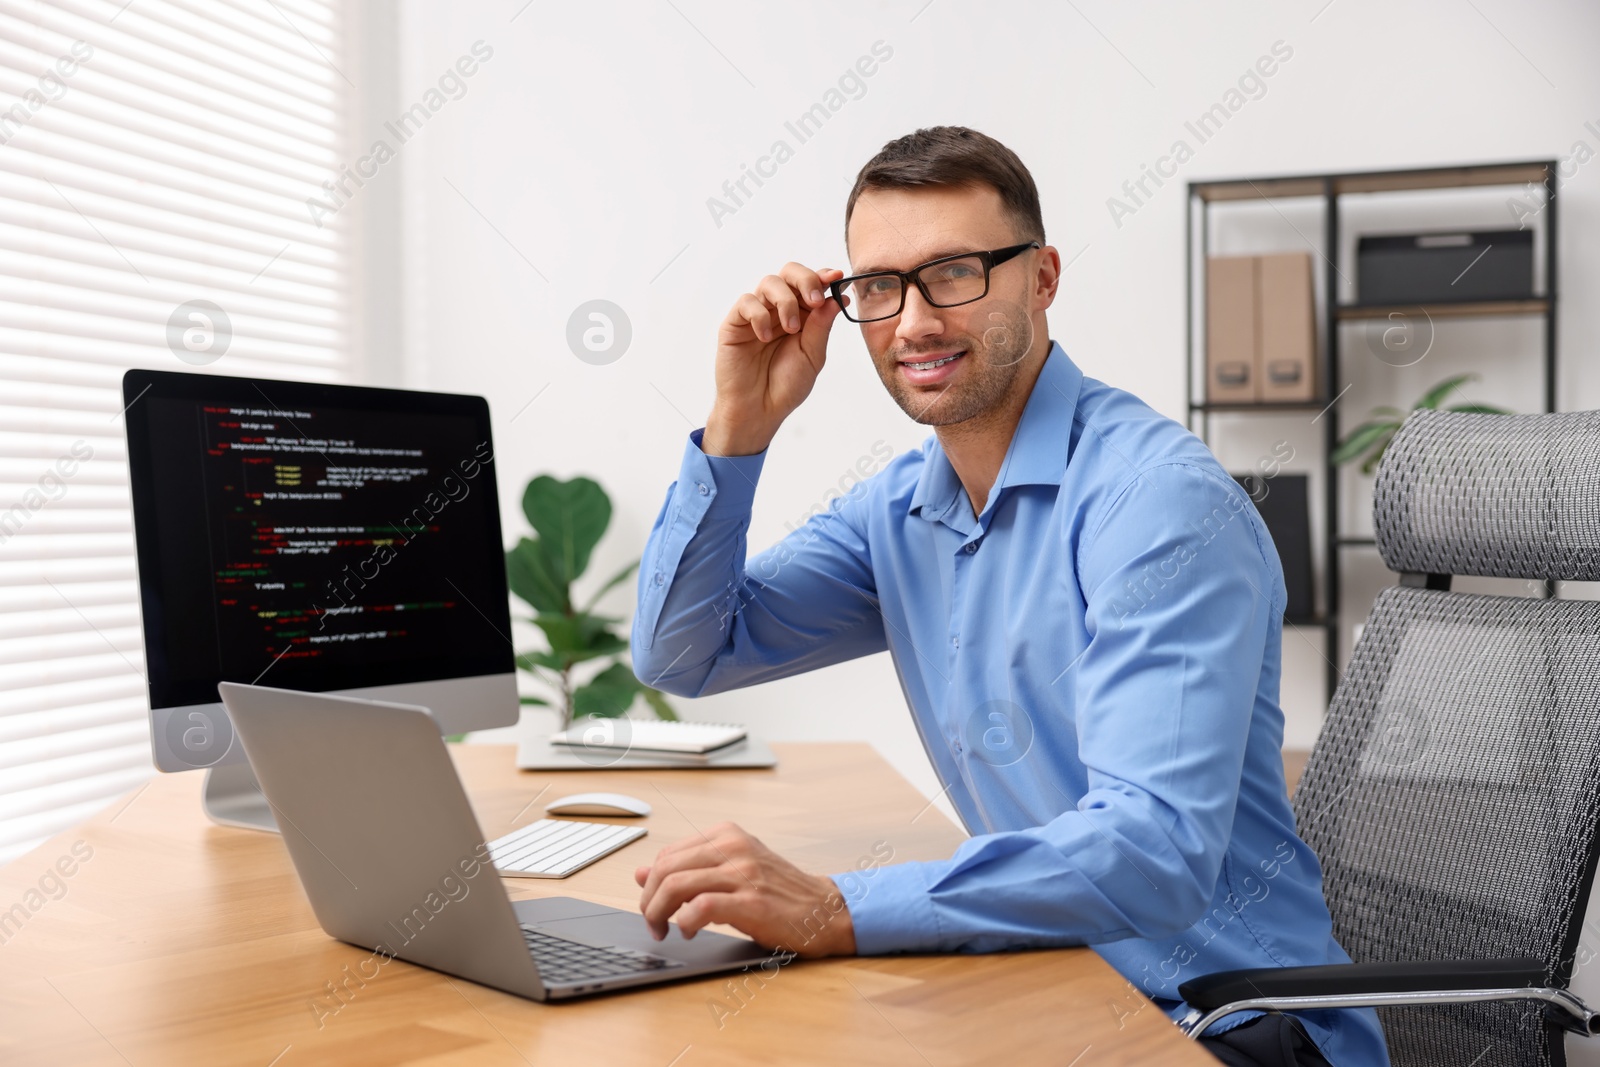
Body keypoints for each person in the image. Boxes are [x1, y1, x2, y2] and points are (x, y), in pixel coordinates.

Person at [629, 125, 1388, 1067]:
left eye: (954, 272)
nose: (913, 322)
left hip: (1228, 1028)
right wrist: (739, 425)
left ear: (1042, 277)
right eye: (878, 286)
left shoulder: (1157, 506)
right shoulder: (899, 508)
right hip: (1058, 989)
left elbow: (1152, 851)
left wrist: (837, 906)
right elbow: (683, 654)